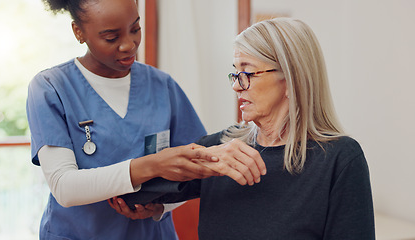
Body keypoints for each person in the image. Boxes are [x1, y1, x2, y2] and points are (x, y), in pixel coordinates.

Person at [111, 17, 375, 239]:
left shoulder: (339, 159)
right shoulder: (222, 150)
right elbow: (131, 195)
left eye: (248, 73)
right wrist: (203, 162)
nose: (237, 86)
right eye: (235, 73)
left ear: (291, 78)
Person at [26, 0, 266, 239]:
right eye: (111, 37)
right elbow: (64, 187)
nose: (129, 45)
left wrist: (161, 207)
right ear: (78, 32)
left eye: (135, 29)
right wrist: (153, 165)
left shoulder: (162, 86)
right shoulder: (51, 88)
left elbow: (197, 172)